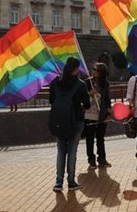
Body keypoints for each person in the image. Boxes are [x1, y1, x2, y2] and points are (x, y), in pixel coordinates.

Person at [49, 57, 90, 192]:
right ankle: (71, 182)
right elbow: (87, 105)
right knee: (72, 151)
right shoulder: (80, 84)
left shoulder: (55, 82)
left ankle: (58, 183)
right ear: (76, 69)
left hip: (59, 121)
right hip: (76, 121)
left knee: (61, 151)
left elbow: (51, 101)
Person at [84, 63, 111, 169]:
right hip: (89, 114)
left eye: (96, 70)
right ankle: (91, 159)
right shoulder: (87, 82)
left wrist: (108, 114)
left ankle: (102, 159)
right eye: (93, 69)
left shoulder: (105, 84)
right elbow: (82, 97)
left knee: (100, 138)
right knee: (89, 138)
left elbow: (107, 100)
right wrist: (91, 93)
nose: (93, 71)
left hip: (101, 114)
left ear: (101, 73)